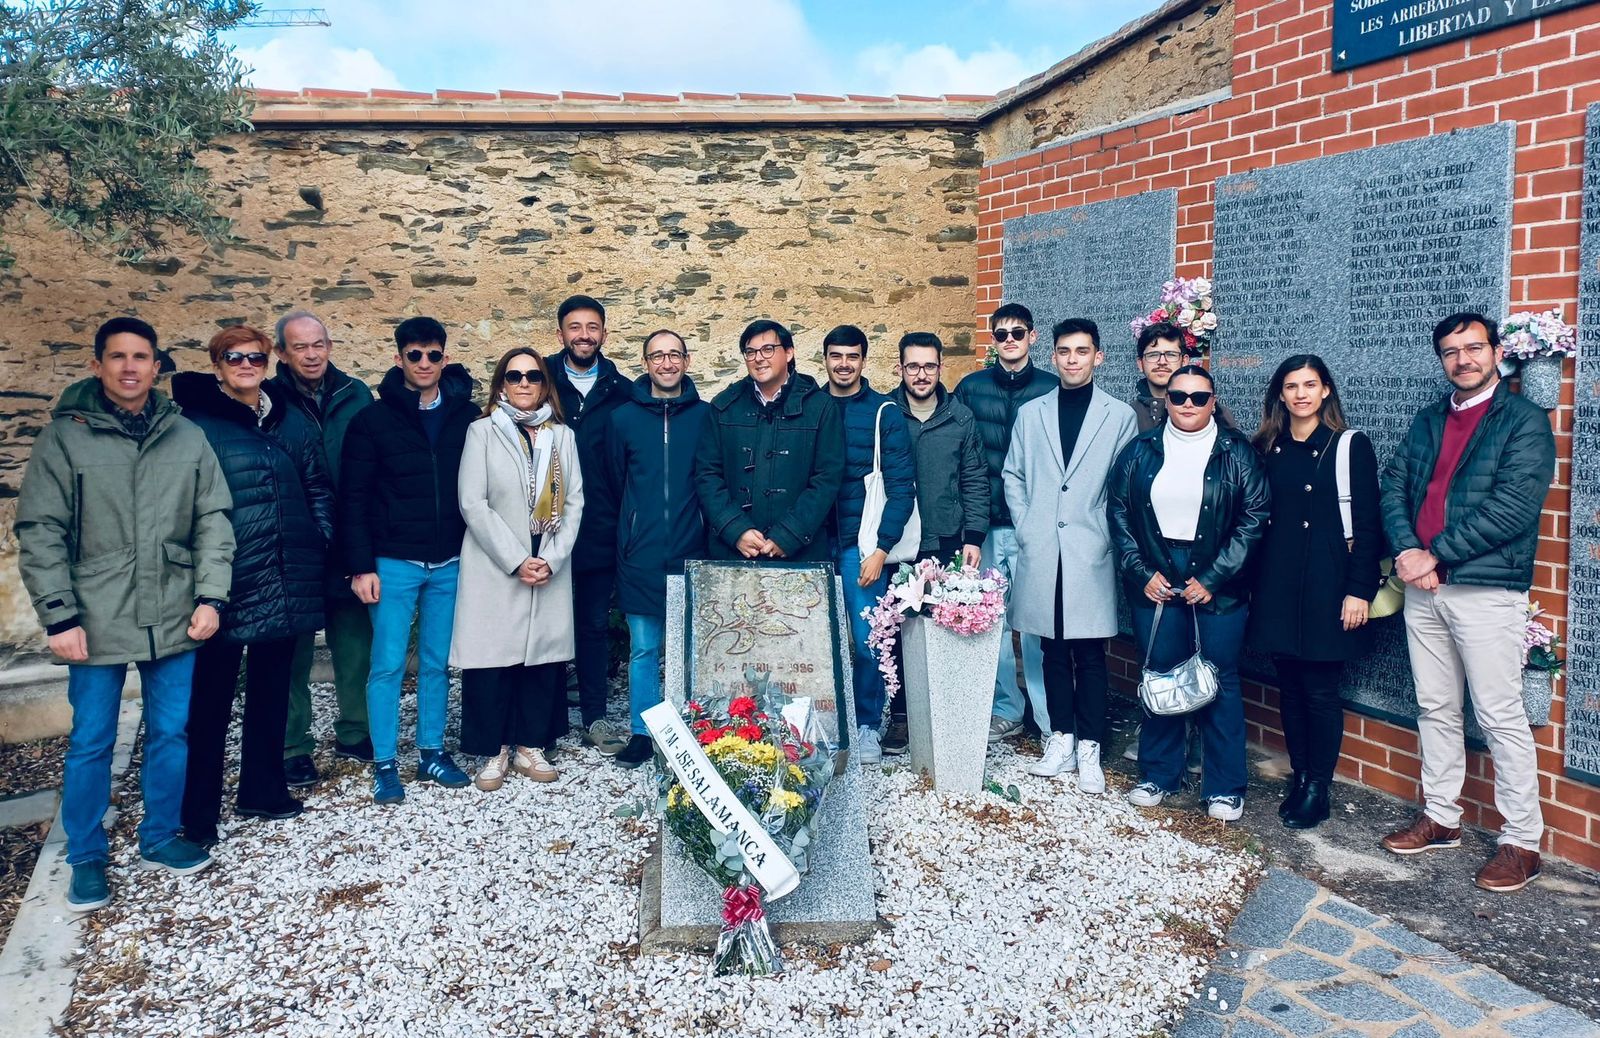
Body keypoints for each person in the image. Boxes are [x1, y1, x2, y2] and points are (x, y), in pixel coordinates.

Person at [16, 317, 234, 910]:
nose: (130, 367)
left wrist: (211, 597)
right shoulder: (65, 437)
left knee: (171, 732)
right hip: (96, 615)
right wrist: (59, 617)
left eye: (141, 357)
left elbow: (213, 520)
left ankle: (159, 835)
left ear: (157, 367)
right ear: (98, 365)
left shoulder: (185, 435)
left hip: (174, 611)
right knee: (92, 739)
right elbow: (41, 529)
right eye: (118, 356)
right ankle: (85, 854)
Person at [1378, 312, 1556, 893]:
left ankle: (1522, 842)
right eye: (1452, 352)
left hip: (1483, 588)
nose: (1464, 360)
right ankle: (1442, 818)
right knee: (1435, 706)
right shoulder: (1429, 419)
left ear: (1496, 352)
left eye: (1474, 348)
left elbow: (1514, 507)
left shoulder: (1523, 420)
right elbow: (1394, 487)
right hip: (1423, 588)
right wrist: (1408, 551)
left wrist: (1436, 555)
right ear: (1442, 360)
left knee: (1500, 714)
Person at [173, 327, 335, 847]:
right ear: (217, 365)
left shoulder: (289, 420)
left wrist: (317, 538)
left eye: (255, 357)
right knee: (211, 701)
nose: (245, 364)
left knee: (271, 691)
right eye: (233, 357)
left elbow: (317, 485)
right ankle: (198, 812)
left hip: (286, 574)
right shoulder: (197, 425)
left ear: (269, 363)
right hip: (228, 578)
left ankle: (263, 789)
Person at [1109, 365, 1269, 821]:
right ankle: (1158, 774)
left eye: (1199, 397)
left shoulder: (1237, 453)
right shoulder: (1140, 450)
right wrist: (1141, 572)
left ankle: (1224, 787)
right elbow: (1118, 513)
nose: (1188, 405)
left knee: (1218, 679)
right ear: (1167, 401)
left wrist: (1214, 578)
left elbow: (1254, 518)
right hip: (1156, 576)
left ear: (1213, 402)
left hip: (1218, 581)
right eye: (1179, 396)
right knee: (1161, 673)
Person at [340, 317, 478, 804]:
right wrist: (360, 567)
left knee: (438, 663)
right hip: (393, 561)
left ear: (444, 358)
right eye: (414, 355)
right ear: (398, 359)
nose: (424, 363)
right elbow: (353, 498)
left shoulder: (466, 416)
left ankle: (431, 751)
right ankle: (384, 762)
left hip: (449, 560)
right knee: (387, 664)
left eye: (433, 354)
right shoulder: (371, 421)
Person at [1247, 355, 1382, 830]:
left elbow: (1368, 524)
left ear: (1325, 390)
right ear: (1280, 395)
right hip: (1278, 584)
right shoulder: (1267, 447)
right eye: (1291, 386)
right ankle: (1300, 774)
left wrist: (1359, 591)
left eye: (1310, 385)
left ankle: (1317, 787)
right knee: (1289, 686)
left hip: (1330, 585)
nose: (1301, 394)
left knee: (1321, 690)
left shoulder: (1348, 446)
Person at [1003, 318, 1137, 793]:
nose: (1073, 359)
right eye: (1064, 351)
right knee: (1051, 648)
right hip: (1042, 545)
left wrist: (1103, 533)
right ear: (1054, 356)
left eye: (1082, 351)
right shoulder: (1031, 413)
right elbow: (1013, 475)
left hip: (1089, 547)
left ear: (1098, 357)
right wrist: (1026, 524)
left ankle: (1090, 746)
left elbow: (1123, 486)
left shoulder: (1119, 416)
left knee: (1090, 652)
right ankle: (1060, 737)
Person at [450, 349, 584, 790]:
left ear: (545, 384)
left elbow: (574, 502)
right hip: (498, 561)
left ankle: (531, 745)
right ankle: (494, 750)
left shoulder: (561, 436)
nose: (524, 383)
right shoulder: (482, 432)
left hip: (547, 559)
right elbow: (473, 502)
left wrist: (552, 558)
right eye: (514, 376)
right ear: (501, 384)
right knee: (492, 660)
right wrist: (516, 560)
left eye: (533, 376)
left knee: (541, 659)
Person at [266, 310, 377, 787]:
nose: (311, 355)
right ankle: (293, 744)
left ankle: (355, 730)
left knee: (354, 644)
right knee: (293, 652)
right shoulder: (268, 399)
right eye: (300, 347)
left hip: (348, 535)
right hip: (294, 541)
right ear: (282, 352)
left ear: (329, 346)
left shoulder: (356, 394)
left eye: (318, 345)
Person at [605, 330, 709, 768]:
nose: (666, 363)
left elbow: (712, 477)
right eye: (657, 356)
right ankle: (642, 732)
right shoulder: (622, 419)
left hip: (692, 548)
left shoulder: (706, 416)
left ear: (686, 360)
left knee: (692, 649)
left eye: (674, 355)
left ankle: (693, 729)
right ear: (645, 362)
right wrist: (632, 529)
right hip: (640, 552)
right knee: (645, 648)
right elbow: (615, 482)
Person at [883, 332, 988, 753]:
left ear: (941, 367)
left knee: (946, 629)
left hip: (946, 538)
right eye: (913, 366)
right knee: (900, 632)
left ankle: (946, 714)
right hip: (899, 542)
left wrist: (974, 536)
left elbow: (975, 478)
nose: (921, 374)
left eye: (929, 366)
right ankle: (902, 718)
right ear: (900, 368)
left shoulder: (960, 418)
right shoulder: (886, 413)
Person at [955, 303, 1054, 745]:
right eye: (1001, 334)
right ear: (992, 340)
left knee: (1035, 625)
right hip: (986, 525)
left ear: (1033, 337)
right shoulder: (970, 388)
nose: (1009, 340)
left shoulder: (1052, 388)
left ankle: (1048, 717)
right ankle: (1005, 709)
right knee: (990, 622)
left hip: (1035, 525)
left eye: (1018, 332)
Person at [823, 325, 916, 764]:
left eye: (852, 356)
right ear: (825, 359)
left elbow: (901, 487)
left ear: (863, 360)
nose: (844, 364)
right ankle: (818, 724)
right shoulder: (811, 406)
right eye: (836, 356)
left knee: (867, 641)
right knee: (816, 642)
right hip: (812, 544)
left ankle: (865, 725)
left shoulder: (884, 413)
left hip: (860, 546)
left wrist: (881, 549)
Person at [544, 294, 631, 757]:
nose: (584, 335)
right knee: (545, 625)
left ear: (604, 333)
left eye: (592, 327)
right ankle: (546, 722)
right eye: (575, 327)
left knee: (594, 625)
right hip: (544, 528)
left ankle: (595, 716)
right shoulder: (538, 380)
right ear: (560, 333)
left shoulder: (621, 390)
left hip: (598, 525)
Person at [695, 319, 846, 564]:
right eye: (750, 352)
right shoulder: (724, 406)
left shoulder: (820, 407)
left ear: (789, 352)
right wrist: (735, 529)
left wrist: (790, 534)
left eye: (768, 349)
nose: (759, 358)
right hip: (734, 552)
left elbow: (827, 478)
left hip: (800, 553)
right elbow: (707, 474)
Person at [1130, 322, 1237, 433]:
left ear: (1184, 361)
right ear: (1140, 363)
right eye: (1153, 355)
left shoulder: (1216, 413)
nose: (1162, 362)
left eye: (1171, 355)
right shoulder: (1129, 415)